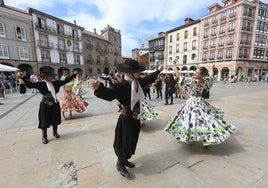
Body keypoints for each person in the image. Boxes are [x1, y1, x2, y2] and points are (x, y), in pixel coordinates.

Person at [89, 59, 163, 178]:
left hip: (136, 118)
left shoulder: (137, 82)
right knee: (123, 143)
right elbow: (108, 93)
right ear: (131, 73)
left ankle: (125, 160)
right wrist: (99, 88)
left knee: (131, 142)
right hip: (126, 119)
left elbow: (148, 79)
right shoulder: (121, 86)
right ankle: (120, 164)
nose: (139, 73)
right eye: (137, 71)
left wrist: (158, 71)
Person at [165, 59, 235, 147]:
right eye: (195, 72)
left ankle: (191, 138)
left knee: (190, 120)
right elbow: (212, 76)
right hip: (202, 103)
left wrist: (174, 64)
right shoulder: (206, 80)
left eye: (197, 73)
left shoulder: (192, 81)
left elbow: (178, 76)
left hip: (192, 104)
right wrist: (212, 69)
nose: (194, 73)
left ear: (201, 75)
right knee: (205, 120)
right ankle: (206, 139)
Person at [17, 69, 78, 144]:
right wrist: (22, 78)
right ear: (45, 77)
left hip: (54, 104)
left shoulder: (55, 83)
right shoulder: (41, 84)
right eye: (50, 76)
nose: (51, 77)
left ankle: (55, 133)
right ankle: (44, 136)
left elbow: (65, 81)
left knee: (55, 119)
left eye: (51, 75)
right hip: (45, 105)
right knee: (44, 120)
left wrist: (74, 75)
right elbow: (30, 85)